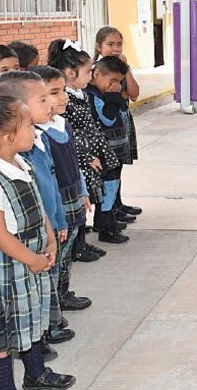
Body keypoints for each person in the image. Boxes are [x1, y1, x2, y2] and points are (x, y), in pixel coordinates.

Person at [0, 95, 76, 390]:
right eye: (27, 124)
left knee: (30, 320)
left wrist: (47, 235)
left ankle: (35, 372)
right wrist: (31, 258)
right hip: (9, 265)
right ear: (5, 136)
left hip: (31, 258)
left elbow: (37, 204)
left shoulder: (18, 162)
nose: (34, 128)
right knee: (1, 334)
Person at [0, 72, 74, 347]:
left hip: (49, 226)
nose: (49, 104)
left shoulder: (39, 139)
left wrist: (59, 220)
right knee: (34, 288)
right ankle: (39, 338)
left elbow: (51, 186)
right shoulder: (19, 151)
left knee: (49, 278)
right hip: (31, 234)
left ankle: (49, 326)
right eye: (42, 99)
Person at [30, 65, 91, 314]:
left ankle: (62, 291)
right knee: (55, 253)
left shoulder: (62, 124)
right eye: (53, 93)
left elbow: (74, 162)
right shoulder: (35, 135)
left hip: (74, 195)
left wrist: (84, 190)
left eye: (62, 90)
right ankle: (53, 301)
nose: (63, 97)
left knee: (68, 249)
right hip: (55, 205)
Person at [47, 40, 111, 262]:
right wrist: (86, 157)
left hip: (88, 155)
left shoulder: (79, 94)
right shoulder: (65, 101)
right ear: (69, 72)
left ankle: (81, 243)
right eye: (87, 72)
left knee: (85, 202)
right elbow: (67, 138)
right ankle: (77, 246)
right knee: (77, 206)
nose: (91, 76)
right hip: (80, 158)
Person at [84, 57, 134, 243]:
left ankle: (105, 219)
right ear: (97, 74)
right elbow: (108, 119)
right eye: (111, 81)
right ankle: (106, 226)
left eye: (118, 82)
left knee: (112, 186)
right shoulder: (93, 96)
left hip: (115, 150)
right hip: (104, 152)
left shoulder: (102, 92)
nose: (115, 85)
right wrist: (114, 97)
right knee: (107, 187)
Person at [93, 27, 141, 220]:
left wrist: (127, 70)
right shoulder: (98, 70)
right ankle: (108, 210)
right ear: (99, 46)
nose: (115, 48)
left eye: (119, 44)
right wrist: (121, 94)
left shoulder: (121, 68)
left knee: (118, 165)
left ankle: (117, 204)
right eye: (110, 44)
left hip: (122, 121)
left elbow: (134, 94)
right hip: (107, 125)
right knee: (108, 169)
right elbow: (108, 95)